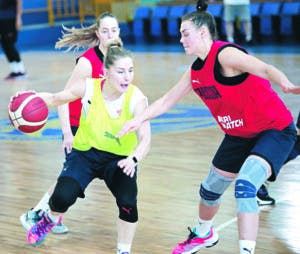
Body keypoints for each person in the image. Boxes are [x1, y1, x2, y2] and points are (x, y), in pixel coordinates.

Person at [117, 1, 300, 253]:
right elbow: (166, 100)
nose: (181, 39)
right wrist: (138, 119)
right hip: (238, 134)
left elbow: (264, 68)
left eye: (185, 33)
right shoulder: (195, 71)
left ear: (203, 33)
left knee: (246, 185)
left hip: (274, 128)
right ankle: (203, 234)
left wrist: (286, 83)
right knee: (209, 190)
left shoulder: (225, 55)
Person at [22, 39, 151, 254]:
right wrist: (31, 100)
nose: (127, 77)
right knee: (62, 197)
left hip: (119, 159)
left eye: (130, 70)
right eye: (120, 71)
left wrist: (134, 159)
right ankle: (48, 220)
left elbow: (145, 138)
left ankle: (123, 249)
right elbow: (56, 98)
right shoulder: (89, 87)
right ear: (106, 72)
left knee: (128, 203)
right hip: (85, 154)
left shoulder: (136, 98)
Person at [19, 12, 121, 234]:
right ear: (98, 33)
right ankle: (36, 214)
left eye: (114, 30)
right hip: (76, 125)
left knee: (71, 175)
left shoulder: (117, 57)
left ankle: (53, 214)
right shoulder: (87, 62)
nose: (110, 34)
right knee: (71, 175)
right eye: (105, 31)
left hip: (93, 126)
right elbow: (64, 99)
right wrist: (67, 133)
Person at [0, 0, 26, 80]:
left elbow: (19, 2)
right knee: (4, 44)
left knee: (9, 43)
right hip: (1, 19)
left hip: (10, 18)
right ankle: (15, 70)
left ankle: (21, 70)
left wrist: (18, 18)